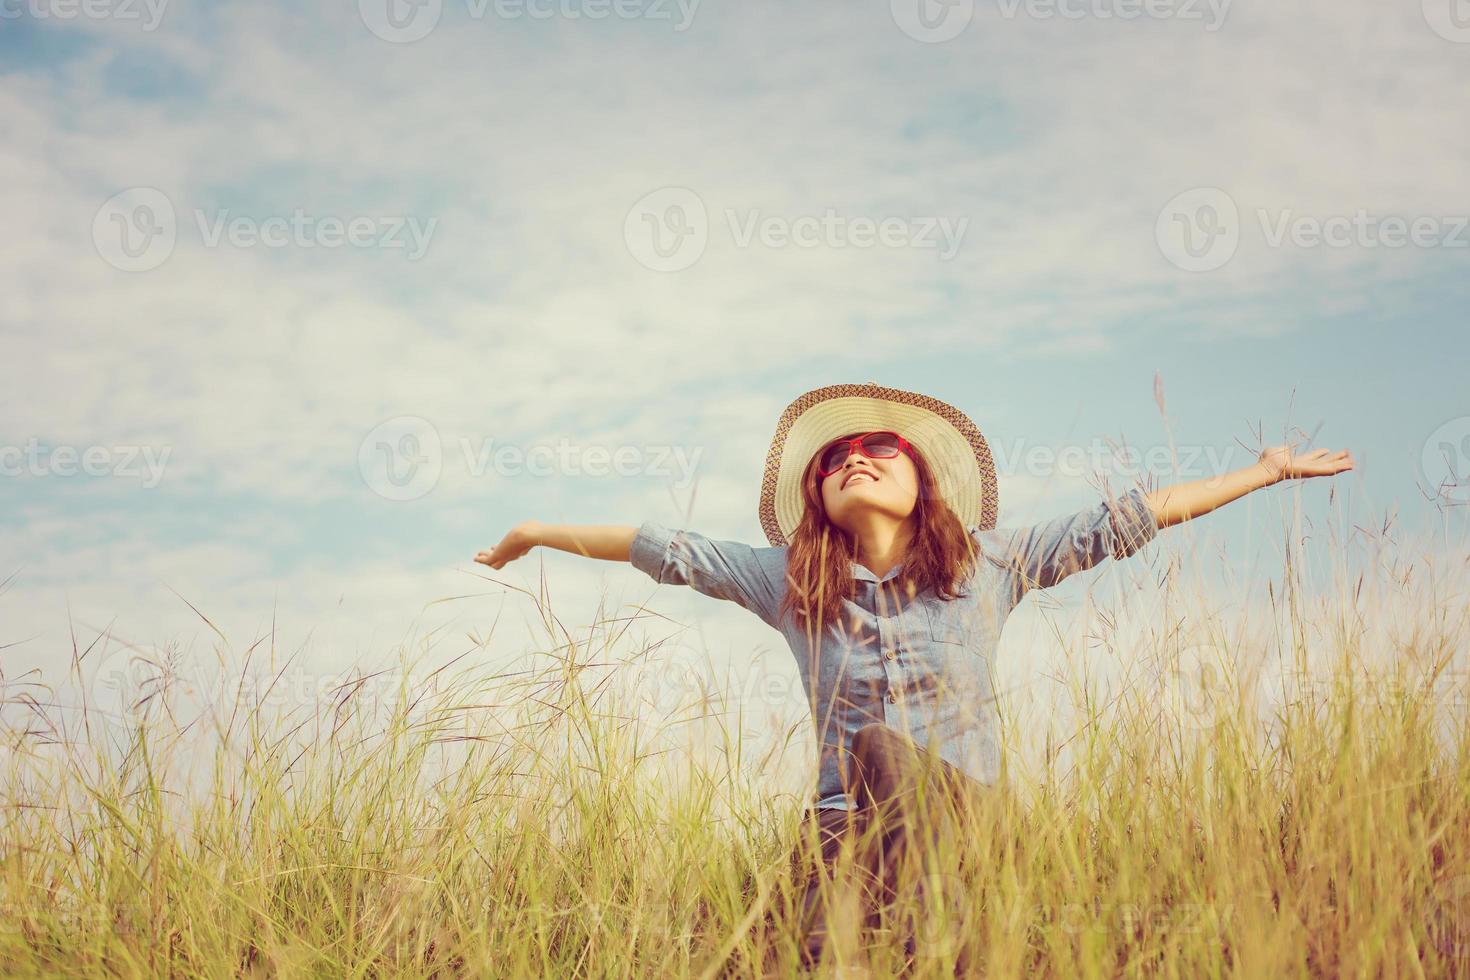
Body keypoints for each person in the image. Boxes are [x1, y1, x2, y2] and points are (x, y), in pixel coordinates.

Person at [474, 381, 1355, 972]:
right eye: (832, 460)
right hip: (839, 834)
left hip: (969, 821)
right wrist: (536, 530)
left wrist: (1266, 474)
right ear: (815, 497)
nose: (852, 458)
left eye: (878, 447)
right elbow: (662, 550)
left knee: (886, 754)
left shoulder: (990, 563)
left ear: (922, 477)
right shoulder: (786, 583)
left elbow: (1124, 521)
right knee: (762, 951)